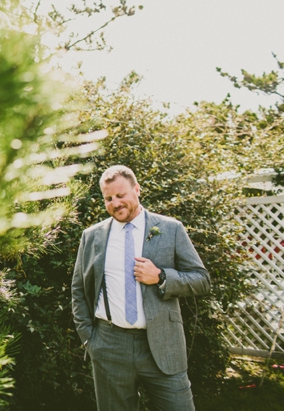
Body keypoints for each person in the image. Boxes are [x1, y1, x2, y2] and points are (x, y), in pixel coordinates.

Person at [71, 165, 210, 410]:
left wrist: (161, 277)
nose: (115, 203)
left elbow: (201, 279)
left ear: (137, 189)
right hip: (109, 346)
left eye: (121, 195)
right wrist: (89, 340)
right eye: (108, 198)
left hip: (162, 343)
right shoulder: (92, 236)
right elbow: (79, 289)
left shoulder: (170, 229)